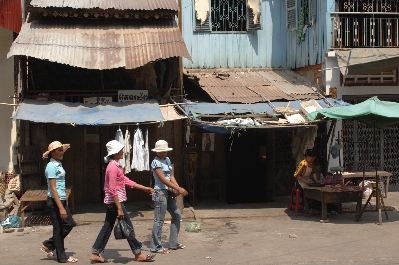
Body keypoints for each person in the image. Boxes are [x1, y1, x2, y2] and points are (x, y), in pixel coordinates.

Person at [90, 140, 156, 263]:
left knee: (107, 227)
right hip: (115, 203)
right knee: (128, 227)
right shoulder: (112, 168)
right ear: (115, 153)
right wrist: (119, 208)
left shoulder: (115, 166)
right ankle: (138, 253)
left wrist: (144, 188)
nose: (122, 152)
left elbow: (125, 181)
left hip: (113, 203)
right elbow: (112, 189)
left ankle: (95, 252)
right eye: (120, 150)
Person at [40, 141, 78, 263]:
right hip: (55, 200)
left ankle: (49, 244)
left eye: (62, 150)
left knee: (69, 223)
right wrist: (61, 207)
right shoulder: (51, 167)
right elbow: (53, 188)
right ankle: (62, 257)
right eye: (59, 150)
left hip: (61, 199)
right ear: (52, 152)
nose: (62, 152)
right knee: (59, 228)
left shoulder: (58, 164)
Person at [150, 140, 188, 254]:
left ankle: (173, 243)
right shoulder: (155, 162)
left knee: (177, 215)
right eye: (160, 152)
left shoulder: (167, 160)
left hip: (167, 192)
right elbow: (162, 179)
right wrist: (178, 189)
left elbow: (171, 176)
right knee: (159, 220)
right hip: (159, 192)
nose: (162, 154)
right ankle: (155, 246)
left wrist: (177, 187)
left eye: (164, 151)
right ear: (156, 151)